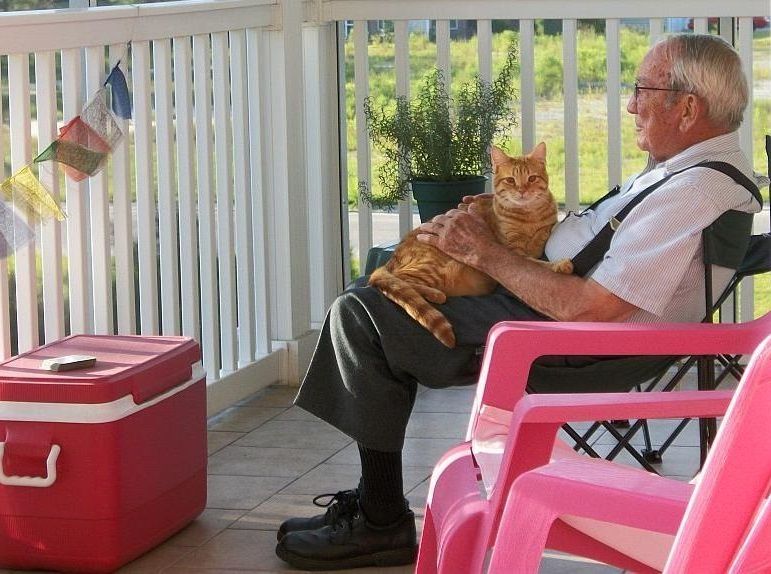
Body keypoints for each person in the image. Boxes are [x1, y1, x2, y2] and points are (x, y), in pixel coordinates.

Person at [275, 33, 767, 570]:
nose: (630, 105)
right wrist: (496, 218)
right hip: (548, 305)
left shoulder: (693, 191)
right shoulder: (683, 170)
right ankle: (377, 508)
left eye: (641, 90)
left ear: (687, 107)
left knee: (362, 313)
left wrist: (485, 253)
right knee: (378, 277)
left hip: (566, 338)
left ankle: (380, 520)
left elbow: (591, 307)